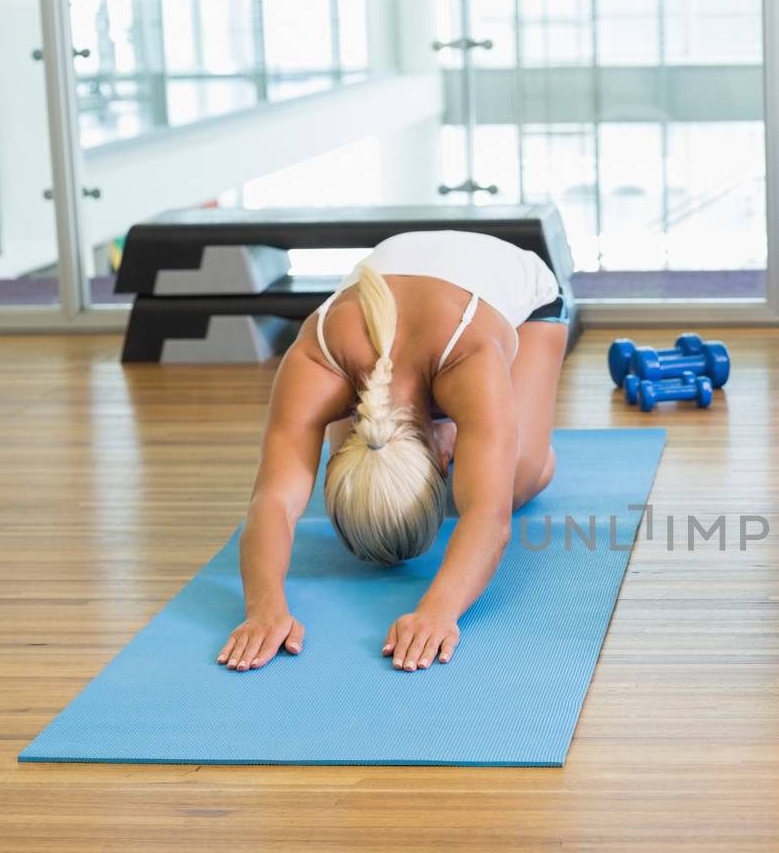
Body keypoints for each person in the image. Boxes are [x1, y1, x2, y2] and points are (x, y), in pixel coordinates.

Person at [216, 231, 570, 675]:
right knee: (482, 465)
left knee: (514, 481)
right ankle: (458, 427)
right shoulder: (317, 357)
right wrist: (263, 607)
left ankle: (467, 432)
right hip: (404, 277)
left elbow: (489, 518)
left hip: (518, 298)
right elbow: (271, 501)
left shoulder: (471, 354)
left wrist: (439, 610)